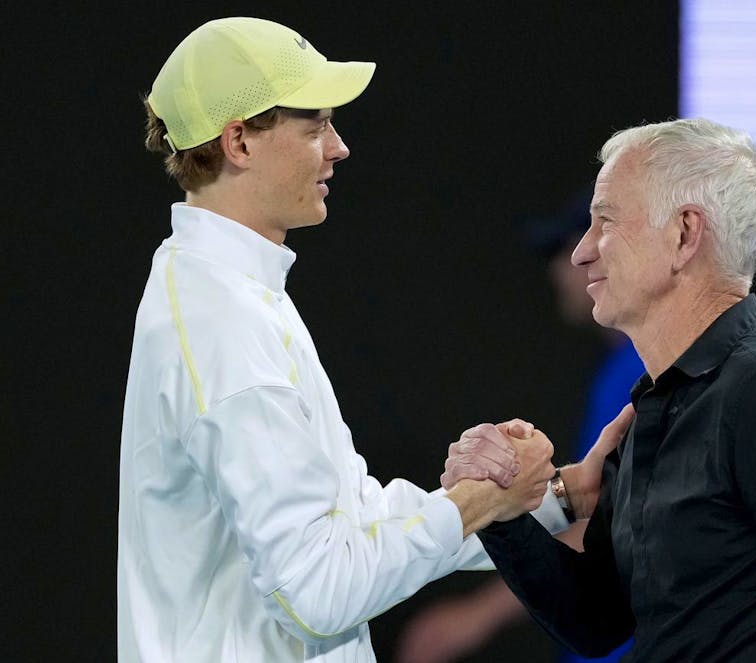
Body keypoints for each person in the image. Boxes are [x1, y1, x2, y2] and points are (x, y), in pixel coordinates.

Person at [118, 17, 607, 663]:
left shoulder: (236, 294)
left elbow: (345, 521)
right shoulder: (222, 324)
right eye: (316, 125)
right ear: (239, 141)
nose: (339, 147)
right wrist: (479, 499)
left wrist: (556, 496)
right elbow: (318, 591)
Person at [443, 118, 756, 661]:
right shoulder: (653, 410)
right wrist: (503, 510)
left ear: (683, 234)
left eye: (605, 222)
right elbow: (598, 618)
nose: (582, 253)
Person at [394, 192, 643, 663]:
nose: (561, 268)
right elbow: (593, 498)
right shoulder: (620, 371)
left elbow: (605, 522)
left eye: (565, 249)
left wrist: (478, 614)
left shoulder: (642, 376)